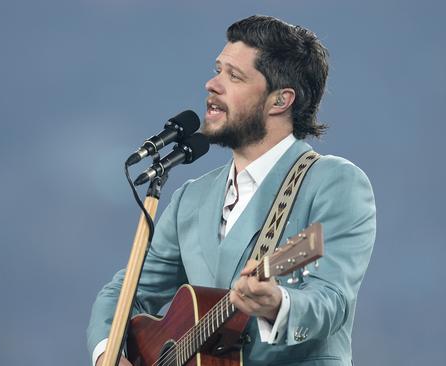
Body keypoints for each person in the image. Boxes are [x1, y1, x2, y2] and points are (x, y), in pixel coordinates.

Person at [88, 15, 376, 366]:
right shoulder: (191, 198)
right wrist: (109, 352)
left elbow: (332, 301)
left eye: (234, 76)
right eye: (217, 70)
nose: (212, 84)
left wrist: (278, 303)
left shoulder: (333, 182)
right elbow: (126, 291)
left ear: (280, 100)